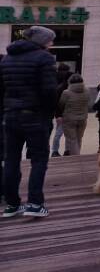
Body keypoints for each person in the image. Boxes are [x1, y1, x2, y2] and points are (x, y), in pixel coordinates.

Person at [1, 25, 58, 219]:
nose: (52, 44)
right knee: (39, 159)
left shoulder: (7, 58)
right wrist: (48, 114)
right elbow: (49, 91)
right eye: (50, 40)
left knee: (11, 159)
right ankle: (34, 203)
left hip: (10, 115)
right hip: (35, 115)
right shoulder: (44, 58)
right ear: (41, 41)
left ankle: (12, 204)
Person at [57, 73, 90, 156]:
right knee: (79, 138)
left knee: (72, 139)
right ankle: (75, 153)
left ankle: (76, 157)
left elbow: (61, 104)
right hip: (83, 119)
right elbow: (88, 103)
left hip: (69, 119)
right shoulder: (87, 91)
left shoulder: (66, 93)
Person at [50, 62, 71, 157]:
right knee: (66, 133)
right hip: (66, 113)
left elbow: (56, 102)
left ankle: (55, 151)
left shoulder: (54, 80)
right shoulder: (64, 86)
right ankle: (66, 150)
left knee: (58, 133)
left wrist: (57, 115)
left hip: (60, 113)